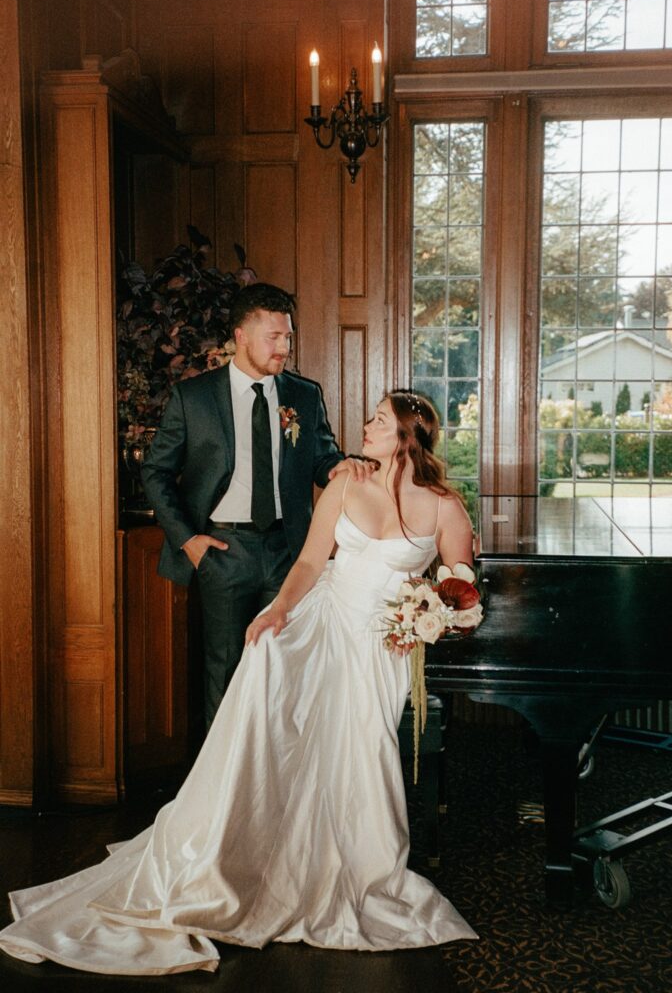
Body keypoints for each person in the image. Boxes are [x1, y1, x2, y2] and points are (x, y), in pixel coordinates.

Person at [0, 390, 478, 974]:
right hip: (324, 619)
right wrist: (278, 611)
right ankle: (250, 844)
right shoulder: (345, 485)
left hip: (383, 645)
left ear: (406, 437)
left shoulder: (445, 506)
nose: (366, 426)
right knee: (272, 671)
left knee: (362, 746)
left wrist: (432, 615)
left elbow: (460, 587)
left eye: (379, 421)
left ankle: (359, 866)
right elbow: (310, 562)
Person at [142, 282, 368, 728]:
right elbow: (156, 472)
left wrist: (339, 468)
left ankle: (273, 770)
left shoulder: (303, 395)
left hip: (289, 552)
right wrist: (188, 541)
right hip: (224, 552)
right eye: (274, 337)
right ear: (241, 336)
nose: (284, 347)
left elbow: (321, 458)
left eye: (288, 337)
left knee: (283, 670)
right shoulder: (194, 398)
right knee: (225, 673)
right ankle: (224, 774)